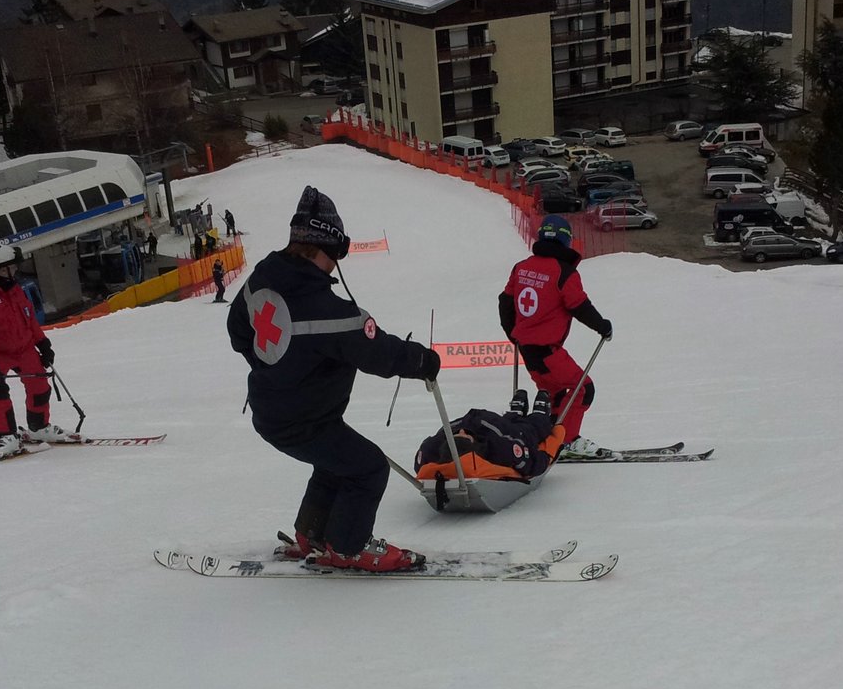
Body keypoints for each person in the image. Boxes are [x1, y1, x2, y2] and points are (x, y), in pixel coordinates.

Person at [228, 185, 440, 572]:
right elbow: (377, 352)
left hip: (274, 409)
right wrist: (422, 360)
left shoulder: (260, 279)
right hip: (303, 419)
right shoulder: (329, 312)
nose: (337, 263)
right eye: (338, 253)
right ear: (324, 247)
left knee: (336, 460)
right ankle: (348, 546)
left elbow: (238, 329)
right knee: (368, 467)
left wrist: (271, 369)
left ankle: (313, 534)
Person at [498, 213, 613, 457]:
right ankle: (568, 441)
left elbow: (505, 301)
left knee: (557, 394)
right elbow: (578, 305)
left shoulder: (521, 267)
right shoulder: (564, 273)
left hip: (528, 352)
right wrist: (602, 325)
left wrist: (513, 334)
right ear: (566, 241)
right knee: (583, 389)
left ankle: (549, 437)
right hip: (548, 351)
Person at [0, 244, 65, 456]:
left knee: (40, 386)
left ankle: (39, 427)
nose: (14, 271)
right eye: (9, 268)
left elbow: (28, 318)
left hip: (24, 348)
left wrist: (42, 343)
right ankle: (7, 435)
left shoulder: (14, 288)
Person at [414, 388, 564, 482]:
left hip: (480, 421)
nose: (462, 432)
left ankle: (518, 413)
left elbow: (421, 458)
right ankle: (537, 415)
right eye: (465, 437)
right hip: (496, 427)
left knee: (519, 429)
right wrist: (546, 457)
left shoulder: (434, 448)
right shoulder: (498, 448)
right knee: (530, 429)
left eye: (456, 436)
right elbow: (532, 463)